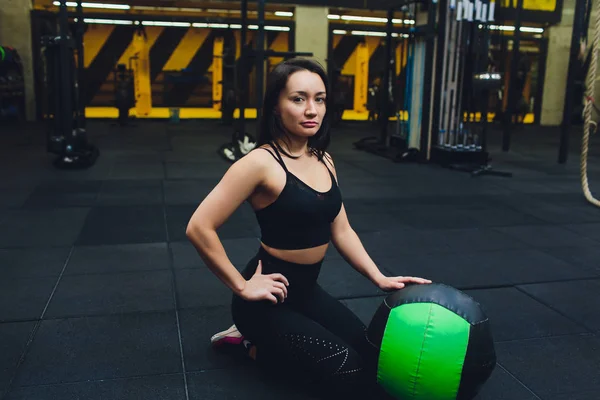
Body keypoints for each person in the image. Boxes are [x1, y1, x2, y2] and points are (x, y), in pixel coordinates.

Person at [186, 58, 431, 398]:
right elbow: (199, 227)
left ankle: (261, 342)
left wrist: (379, 278)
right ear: (276, 104)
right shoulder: (260, 163)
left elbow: (341, 230)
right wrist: (242, 286)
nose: (311, 109)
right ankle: (249, 344)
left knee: (373, 355)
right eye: (298, 98)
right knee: (349, 369)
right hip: (266, 298)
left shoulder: (323, 159)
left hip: (305, 291)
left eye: (320, 98)